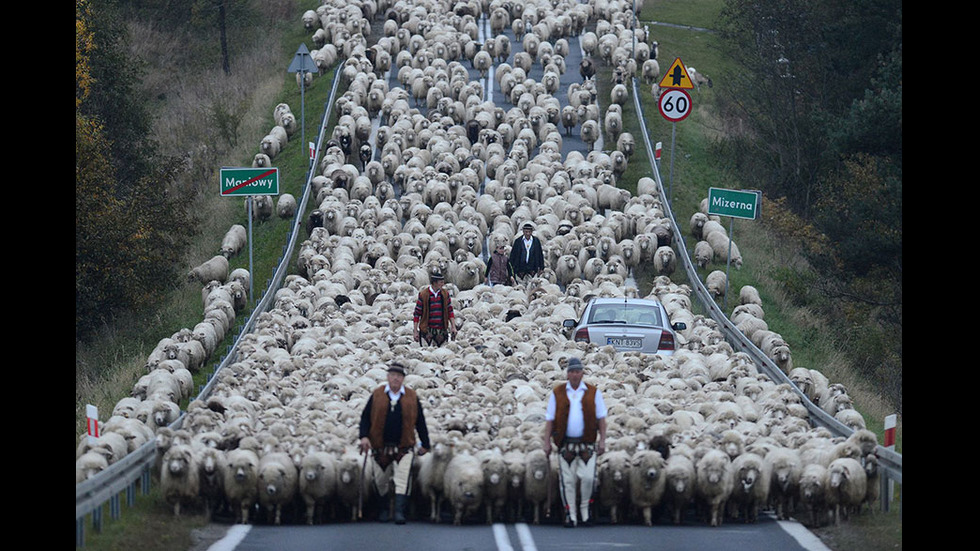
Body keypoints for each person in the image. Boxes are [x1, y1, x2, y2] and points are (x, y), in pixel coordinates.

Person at [359, 361, 431, 524]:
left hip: (404, 447)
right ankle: (384, 510)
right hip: (379, 446)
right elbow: (365, 418)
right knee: (380, 480)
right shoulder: (377, 395)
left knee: (402, 479)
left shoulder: (411, 397)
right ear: (388, 377)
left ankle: (399, 512)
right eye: (393, 376)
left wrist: (425, 443)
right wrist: (364, 437)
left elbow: (420, 421)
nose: (395, 379)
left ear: (403, 379)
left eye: (399, 376)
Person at [543, 357, 608, 528]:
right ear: (567, 374)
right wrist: (547, 442)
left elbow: (601, 418)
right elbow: (550, 419)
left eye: (577, 371)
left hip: (587, 444)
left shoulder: (593, 392)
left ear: (582, 373)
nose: (574, 374)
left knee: (588, 478)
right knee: (568, 481)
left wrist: (602, 440)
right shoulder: (558, 393)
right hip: (566, 445)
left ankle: (585, 512)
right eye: (571, 371)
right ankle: (570, 515)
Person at [413, 272, 457, 346]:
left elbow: (450, 310)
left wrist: (453, 326)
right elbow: (417, 313)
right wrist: (415, 331)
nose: (443, 284)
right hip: (426, 331)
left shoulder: (445, 294)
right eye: (441, 282)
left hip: (442, 330)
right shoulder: (423, 295)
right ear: (434, 283)